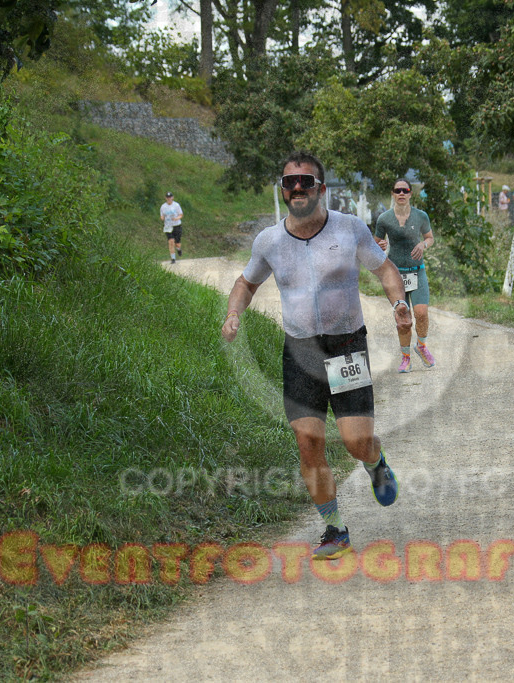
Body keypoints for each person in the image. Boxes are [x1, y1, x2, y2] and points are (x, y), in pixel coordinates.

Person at [221, 151, 411, 561]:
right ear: (283, 190)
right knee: (308, 440)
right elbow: (246, 282)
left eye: (306, 182)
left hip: (346, 347)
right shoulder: (270, 240)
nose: (298, 189)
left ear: (321, 189)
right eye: (290, 183)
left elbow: (386, 270)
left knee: (355, 442)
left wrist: (399, 304)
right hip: (301, 350)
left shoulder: (350, 229)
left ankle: (374, 462)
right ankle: (334, 528)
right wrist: (234, 312)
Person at [373, 178, 436, 373]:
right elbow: (375, 243)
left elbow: (430, 238)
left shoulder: (421, 216)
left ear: (410, 193)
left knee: (421, 313)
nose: (401, 193)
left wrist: (422, 245)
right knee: (403, 318)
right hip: (396, 275)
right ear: (393, 193)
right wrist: (380, 245)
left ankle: (422, 346)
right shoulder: (384, 219)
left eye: (405, 190)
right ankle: (405, 357)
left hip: (417, 271)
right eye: (397, 190)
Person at [160, 192, 183, 262]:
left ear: (172, 197)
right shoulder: (163, 206)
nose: (169, 199)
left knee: (177, 244)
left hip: (176, 225)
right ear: (166, 198)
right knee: (171, 241)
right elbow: (162, 215)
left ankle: (178, 249)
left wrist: (176, 218)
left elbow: (181, 214)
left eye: (170, 197)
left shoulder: (176, 205)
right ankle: (173, 258)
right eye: (167, 197)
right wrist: (162, 218)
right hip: (168, 226)